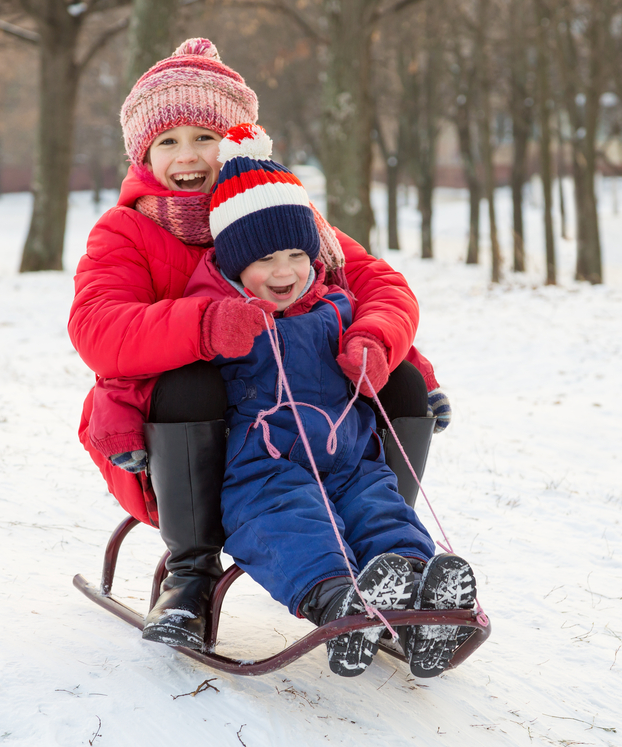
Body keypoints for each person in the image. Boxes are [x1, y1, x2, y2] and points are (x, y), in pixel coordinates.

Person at [68, 38, 454, 671]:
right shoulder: (127, 229)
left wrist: (374, 341)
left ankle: (387, 561)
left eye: (204, 136)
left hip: (315, 430)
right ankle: (190, 575)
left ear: (237, 138)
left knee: (401, 380)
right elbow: (97, 328)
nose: (188, 156)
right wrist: (205, 323)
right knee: (192, 379)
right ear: (143, 153)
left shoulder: (282, 213)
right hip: (189, 440)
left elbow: (381, 287)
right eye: (168, 142)